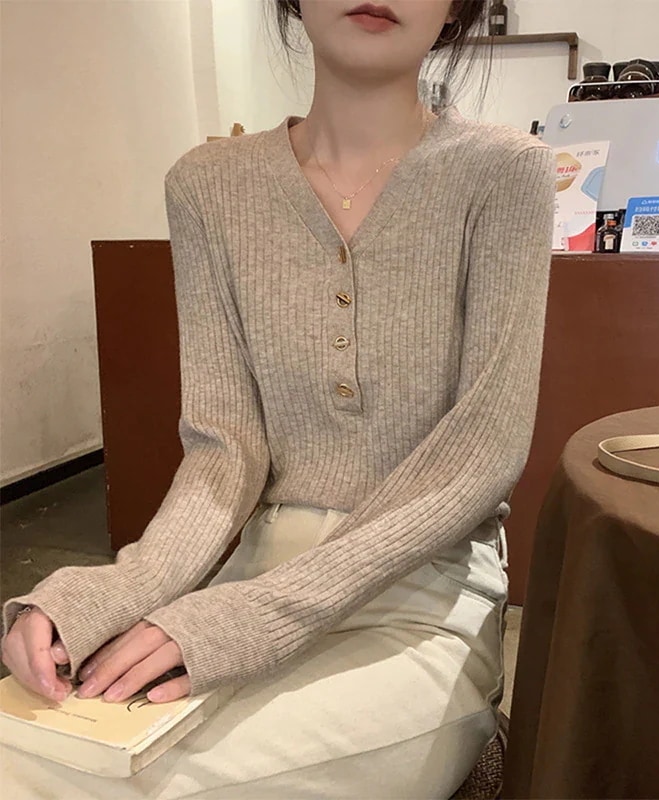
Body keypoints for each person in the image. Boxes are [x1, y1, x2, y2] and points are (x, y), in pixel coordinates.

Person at [0, 0, 555, 796]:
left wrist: (257, 618)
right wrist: (114, 591)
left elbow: (482, 454)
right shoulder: (208, 185)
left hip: (425, 598)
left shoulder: (504, 172)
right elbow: (225, 452)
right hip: (249, 576)